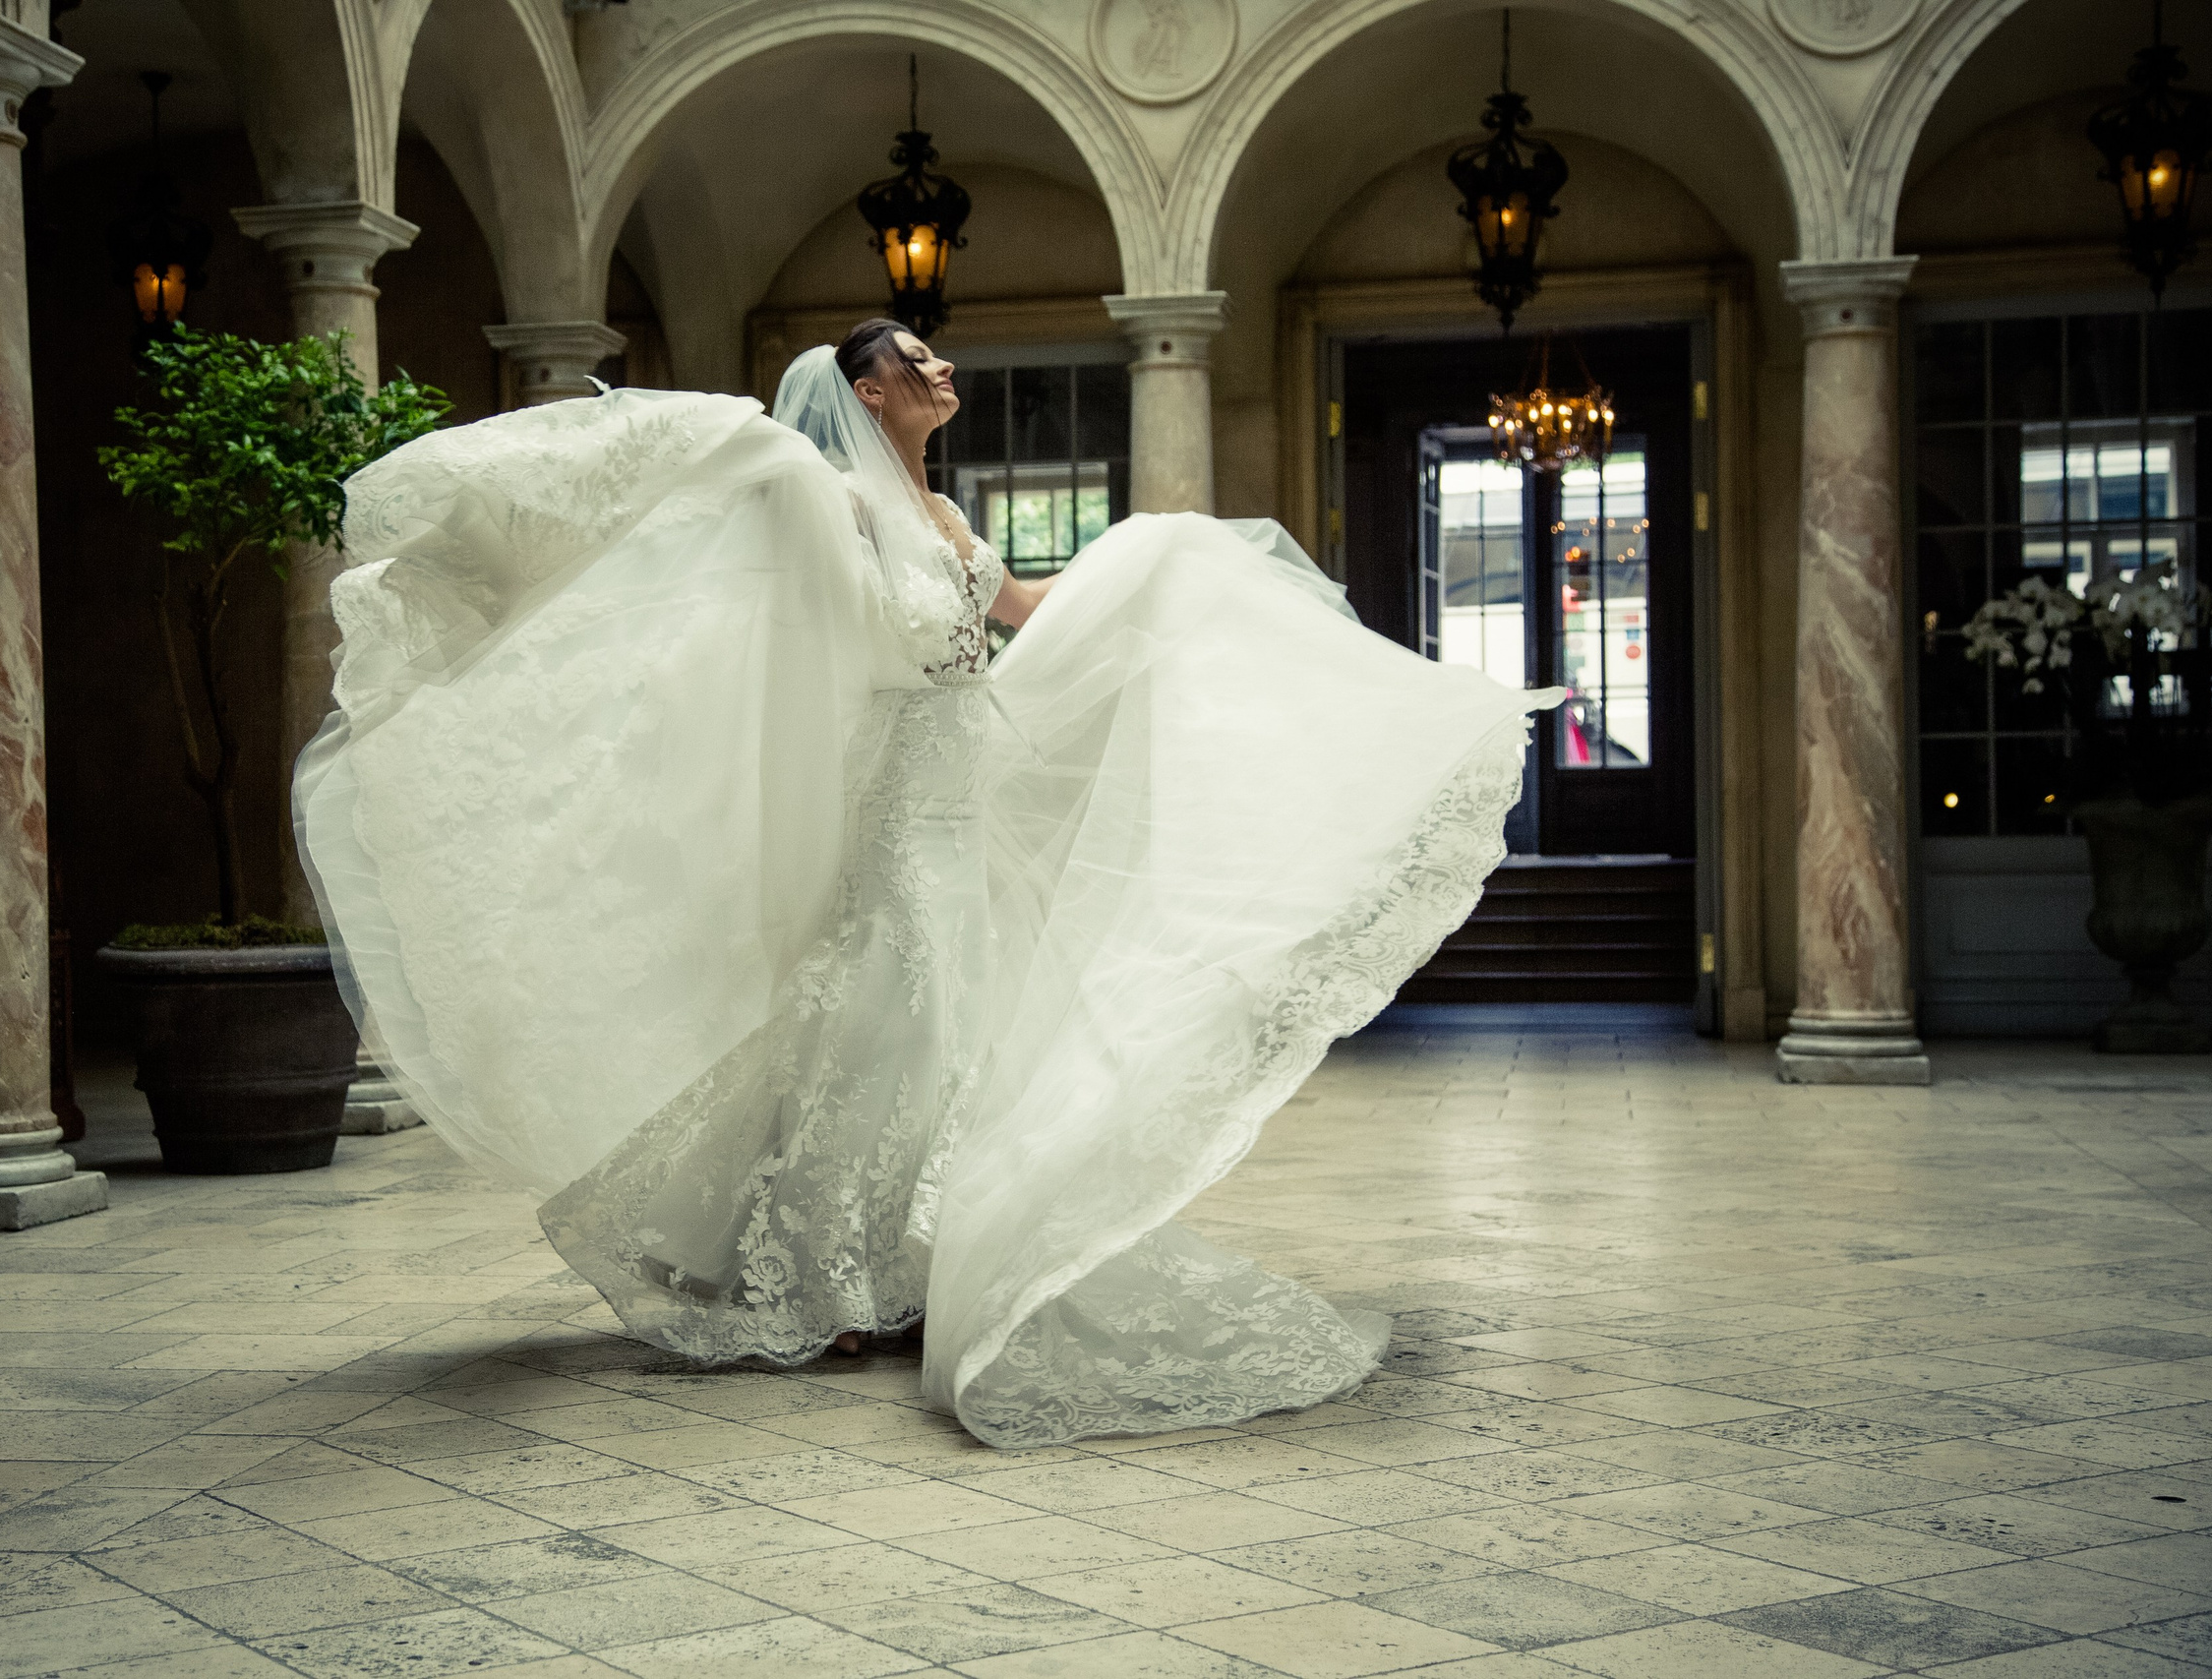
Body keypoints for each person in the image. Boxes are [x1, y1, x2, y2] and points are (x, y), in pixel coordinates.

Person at [294, 319, 1561, 1448]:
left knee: (954, 1025)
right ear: (859, 391)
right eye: (912, 357)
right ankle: (826, 1279)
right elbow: (700, 519)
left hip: (969, 792)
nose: (940, 365)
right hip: (894, 794)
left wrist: (1158, 570)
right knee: (889, 1011)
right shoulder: (816, 494)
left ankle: (905, 1265)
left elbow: (1020, 612)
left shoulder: (946, 520)